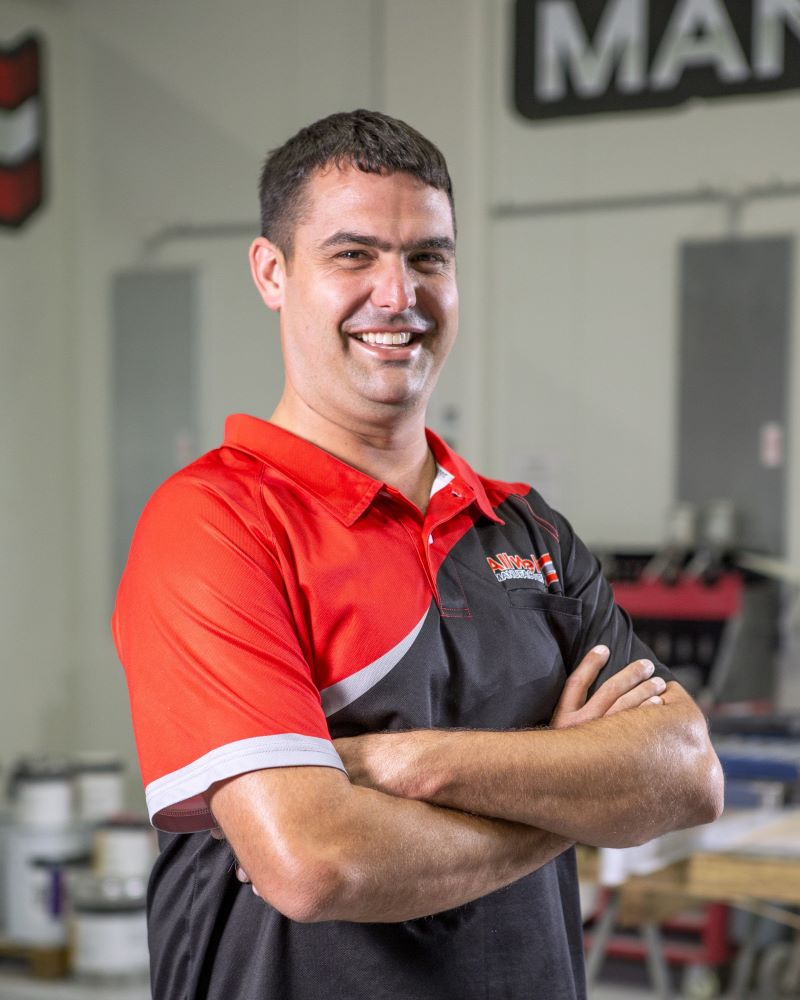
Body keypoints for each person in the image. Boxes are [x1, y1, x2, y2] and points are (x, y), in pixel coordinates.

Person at [113, 109, 723, 1000]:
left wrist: (407, 765)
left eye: (428, 256)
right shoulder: (215, 522)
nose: (398, 295)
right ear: (273, 272)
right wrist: (574, 803)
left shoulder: (529, 532)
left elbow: (687, 773)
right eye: (354, 255)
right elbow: (316, 864)